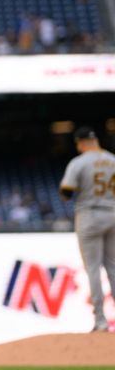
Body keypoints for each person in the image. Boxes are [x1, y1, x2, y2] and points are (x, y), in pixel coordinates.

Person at [59, 126, 115, 332]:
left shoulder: (79, 162)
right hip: (113, 213)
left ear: (80, 142)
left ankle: (100, 320)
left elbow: (66, 192)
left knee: (92, 269)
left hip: (90, 214)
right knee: (113, 268)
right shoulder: (112, 159)